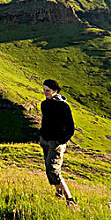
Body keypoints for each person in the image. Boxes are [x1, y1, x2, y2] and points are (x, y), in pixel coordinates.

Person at [39, 79, 78, 207]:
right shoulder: (44, 104)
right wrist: (41, 134)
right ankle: (58, 194)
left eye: (48, 90)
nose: (45, 92)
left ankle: (70, 199)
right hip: (45, 140)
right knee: (49, 170)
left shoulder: (63, 106)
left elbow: (71, 128)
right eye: (44, 90)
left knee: (53, 170)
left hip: (56, 143)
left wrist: (61, 141)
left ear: (55, 91)